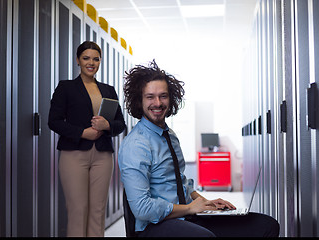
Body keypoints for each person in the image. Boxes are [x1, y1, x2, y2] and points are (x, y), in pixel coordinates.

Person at [118, 60, 279, 237]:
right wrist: (188, 208)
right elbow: (142, 209)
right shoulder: (135, 145)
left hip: (187, 216)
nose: (158, 103)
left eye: (163, 96)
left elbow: (181, 183)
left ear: (171, 98)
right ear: (139, 101)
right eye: (150, 97)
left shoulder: (169, 135)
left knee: (266, 225)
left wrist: (206, 202)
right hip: (154, 226)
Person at [48, 41, 126, 237]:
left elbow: (120, 124)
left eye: (96, 59)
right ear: (78, 60)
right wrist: (82, 132)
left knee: (98, 210)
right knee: (78, 209)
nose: (91, 62)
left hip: (103, 156)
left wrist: (106, 126)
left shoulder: (108, 90)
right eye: (86, 58)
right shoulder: (65, 87)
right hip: (74, 154)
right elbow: (54, 121)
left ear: (100, 61)